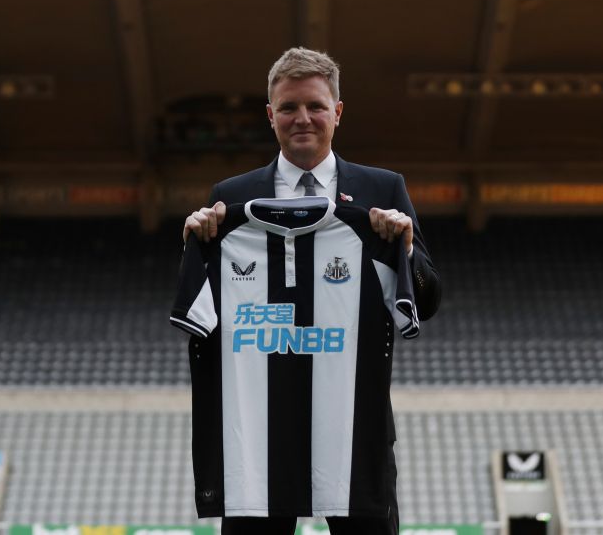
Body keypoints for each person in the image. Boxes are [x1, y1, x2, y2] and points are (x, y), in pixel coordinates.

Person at [182, 47, 441, 535]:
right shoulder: (229, 198)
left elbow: (426, 300)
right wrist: (197, 239)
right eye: (288, 108)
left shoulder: (382, 189)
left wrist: (404, 250)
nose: (303, 118)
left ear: (337, 112)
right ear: (270, 116)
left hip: (353, 425)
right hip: (255, 430)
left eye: (315, 106)